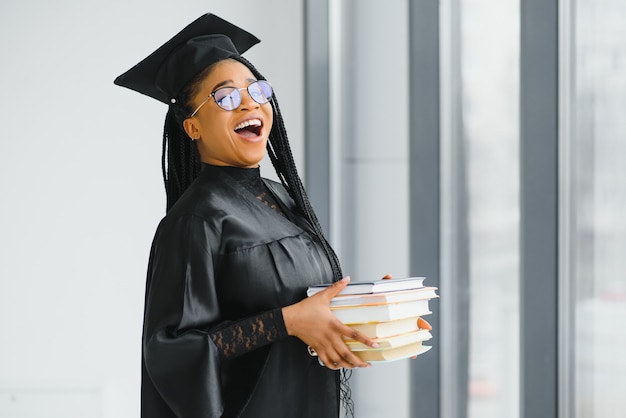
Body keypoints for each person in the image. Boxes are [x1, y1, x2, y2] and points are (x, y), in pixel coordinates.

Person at [114, 13, 389, 418]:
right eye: (225, 97)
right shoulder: (196, 221)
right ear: (193, 127)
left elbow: (305, 307)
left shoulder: (283, 199)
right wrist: (285, 322)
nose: (249, 102)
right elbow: (172, 351)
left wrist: (369, 310)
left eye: (257, 89)